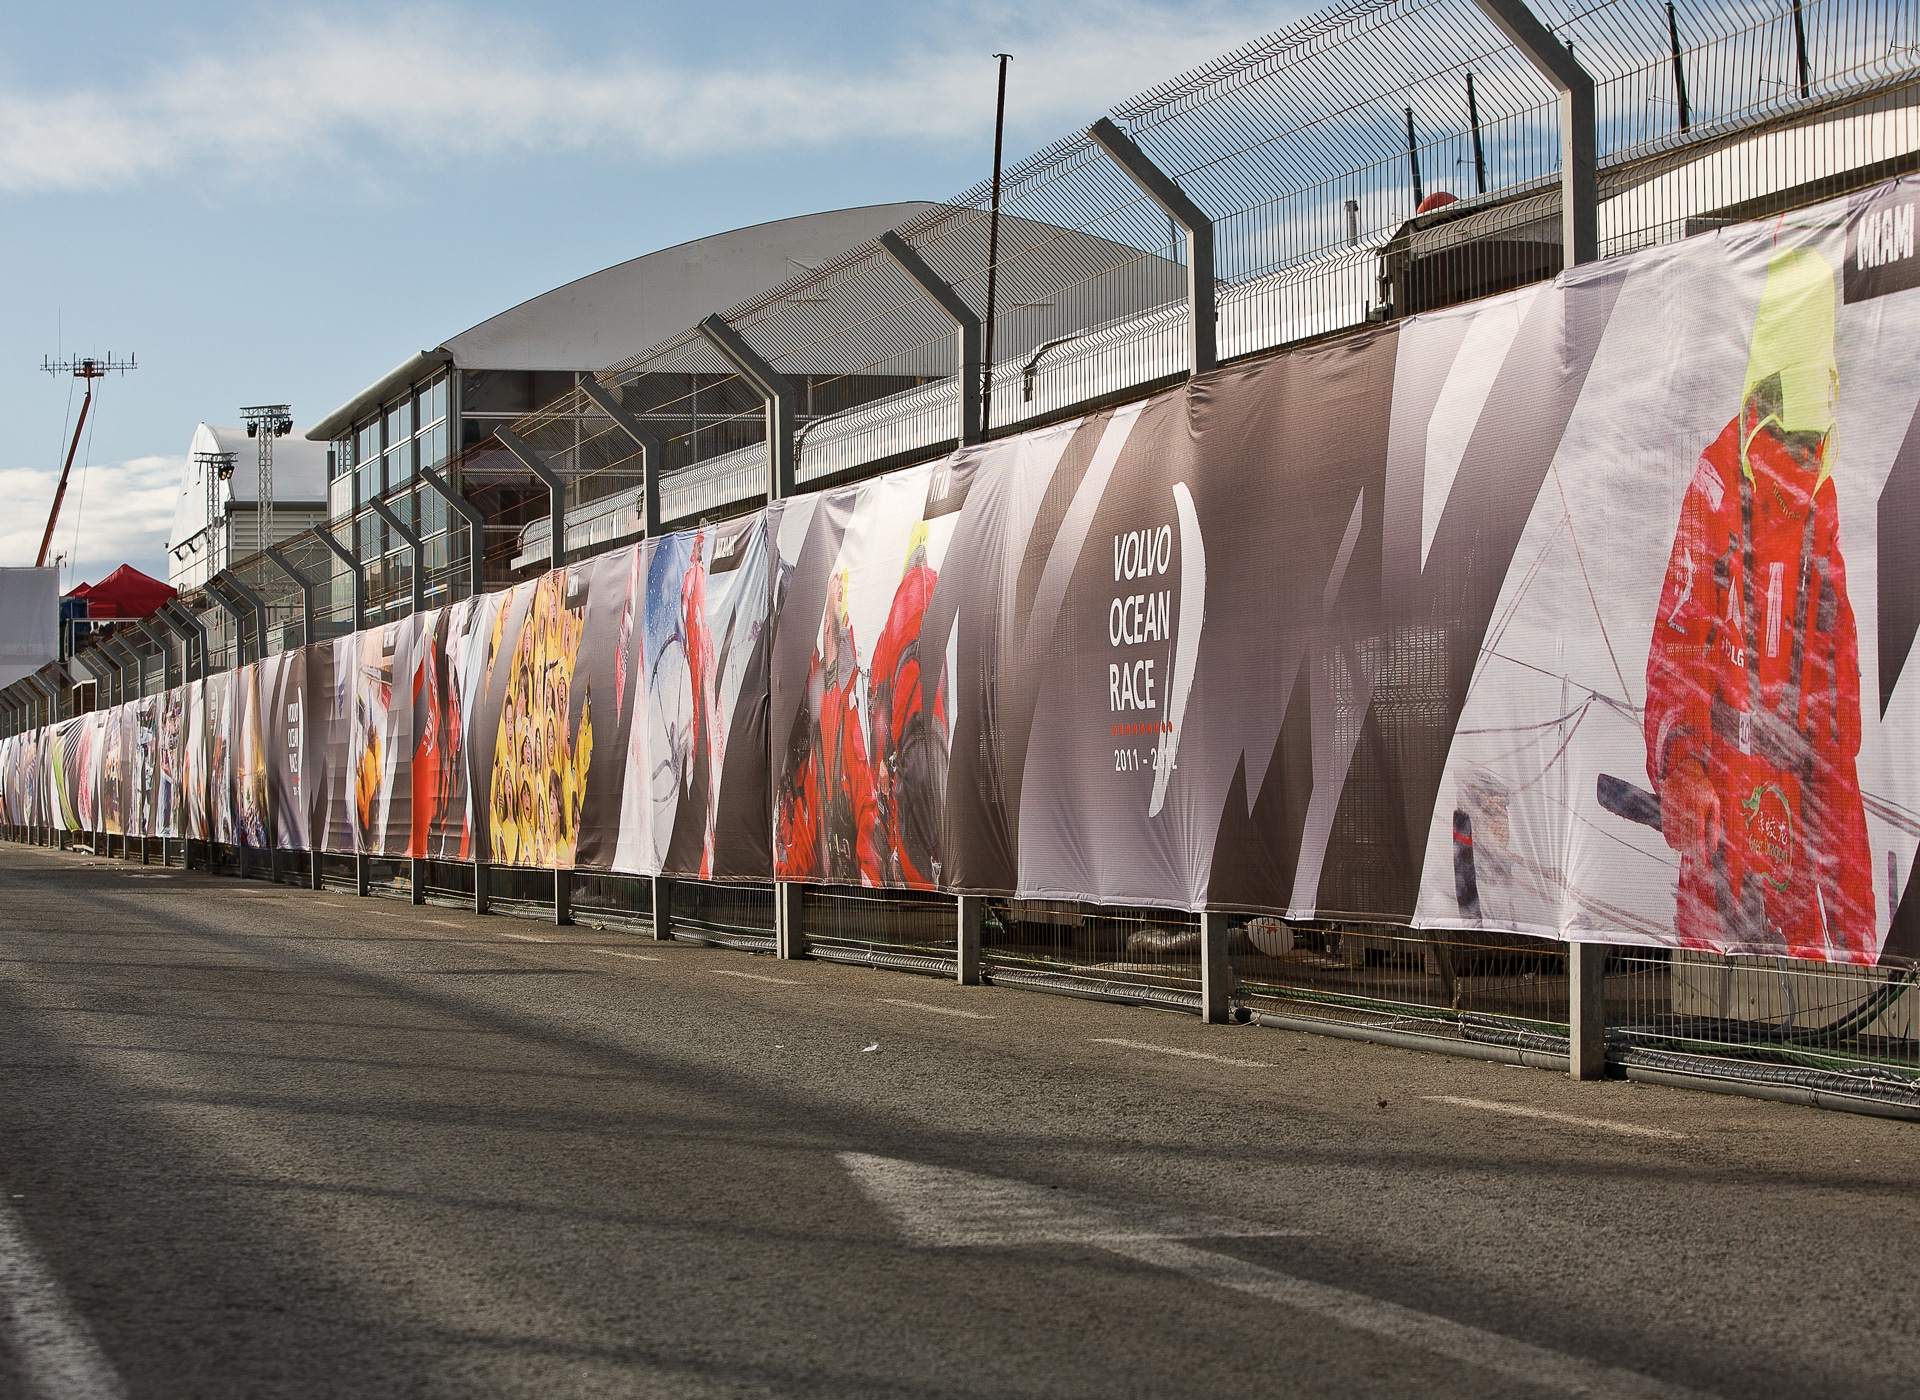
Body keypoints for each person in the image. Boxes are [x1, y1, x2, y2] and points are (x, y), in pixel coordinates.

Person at [1644, 245, 1874, 962]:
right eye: (1794, 439)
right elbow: (1677, 647)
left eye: (1816, 441)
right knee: (1723, 1012)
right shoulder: (1716, 489)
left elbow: (1837, 708)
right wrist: (1682, 766)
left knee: (1811, 1007)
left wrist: (1859, 921)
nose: (1805, 458)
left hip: (1801, 812)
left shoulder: (1819, 509)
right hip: (1725, 807)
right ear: (1761, 411)